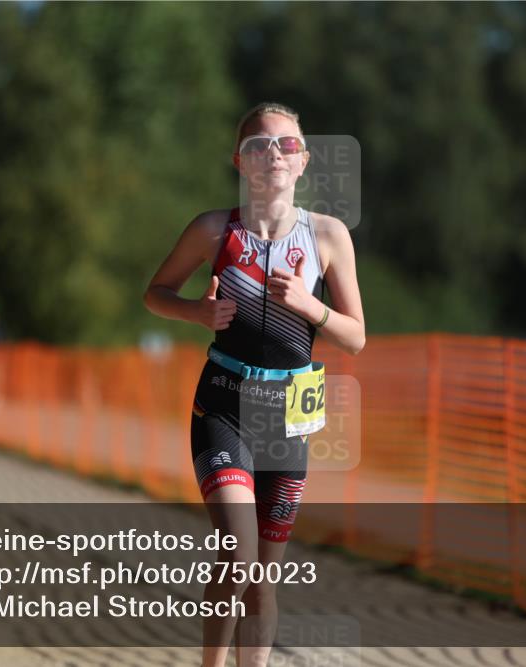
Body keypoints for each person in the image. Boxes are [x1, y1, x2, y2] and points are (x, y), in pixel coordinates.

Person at [143, 102, 365, 667]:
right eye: (259, 146)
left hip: (289, 414)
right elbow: (155, 293)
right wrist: (196, 313)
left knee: (264, 579)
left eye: (287, 145)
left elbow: (356, 336)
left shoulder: (328, 235)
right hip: (225, 402)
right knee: (238, 555)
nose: (274, 155)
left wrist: (311, 306)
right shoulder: (213, 229)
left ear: (303, 160)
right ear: (240, 162)